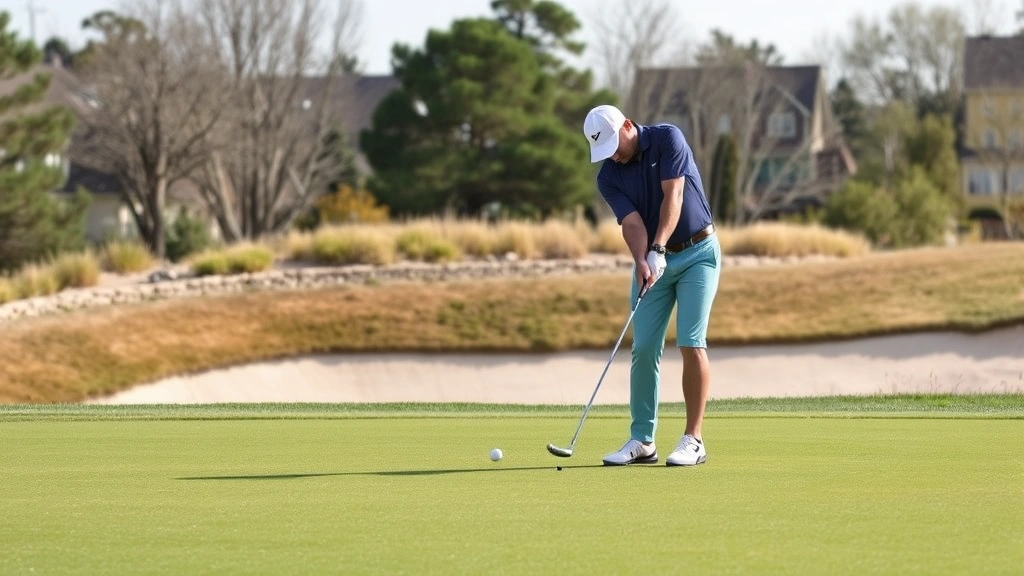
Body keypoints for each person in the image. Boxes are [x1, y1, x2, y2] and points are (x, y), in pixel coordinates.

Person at [582, 104, 721, 467]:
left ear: (628, 126)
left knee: (690, 340)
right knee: (643, 347)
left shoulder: (667, 139)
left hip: (698, 253)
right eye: (604, 150)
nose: (613, 155)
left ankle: (693, 440)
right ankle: (643, 440)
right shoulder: (608, 176)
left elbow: (673, 197)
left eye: (614, 145)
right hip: (654, 261)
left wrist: (658, 249)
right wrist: (642, 260)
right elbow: (631, 223)